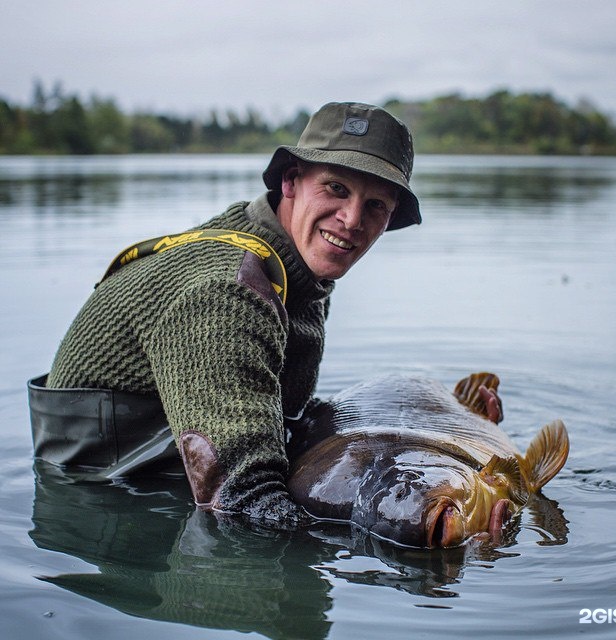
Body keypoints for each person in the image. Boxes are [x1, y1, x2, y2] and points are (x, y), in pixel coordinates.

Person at [29, 102, 502, 527]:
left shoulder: (295, 270)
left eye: (375, 205)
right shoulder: (228, 292)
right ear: (290, 181)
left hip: (158, 481)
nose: (353, 220)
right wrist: (398, 538)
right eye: (336, 188)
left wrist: (453, 430)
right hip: (100, 513)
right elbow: (245, 499)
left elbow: (279, 414)